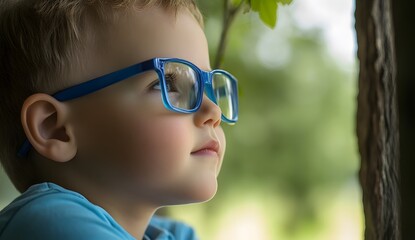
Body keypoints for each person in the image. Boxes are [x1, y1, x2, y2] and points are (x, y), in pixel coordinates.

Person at [0, 0, 238, 239]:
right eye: (166, 83)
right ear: (55, 129)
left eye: (206, 87)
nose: (213, 110)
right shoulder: (48, 225)